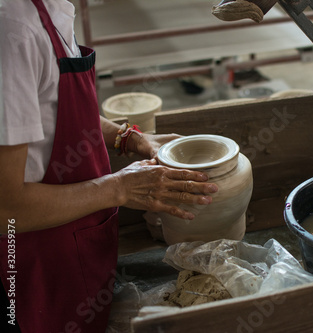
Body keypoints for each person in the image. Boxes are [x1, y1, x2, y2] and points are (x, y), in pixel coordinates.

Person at [0, 1, 218, 332]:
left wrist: (128, 139)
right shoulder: (15, 33)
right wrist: (119, 188)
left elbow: (50, 106)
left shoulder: (50, 8)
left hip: (78, 240)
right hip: (33, 261)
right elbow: (6, 210)